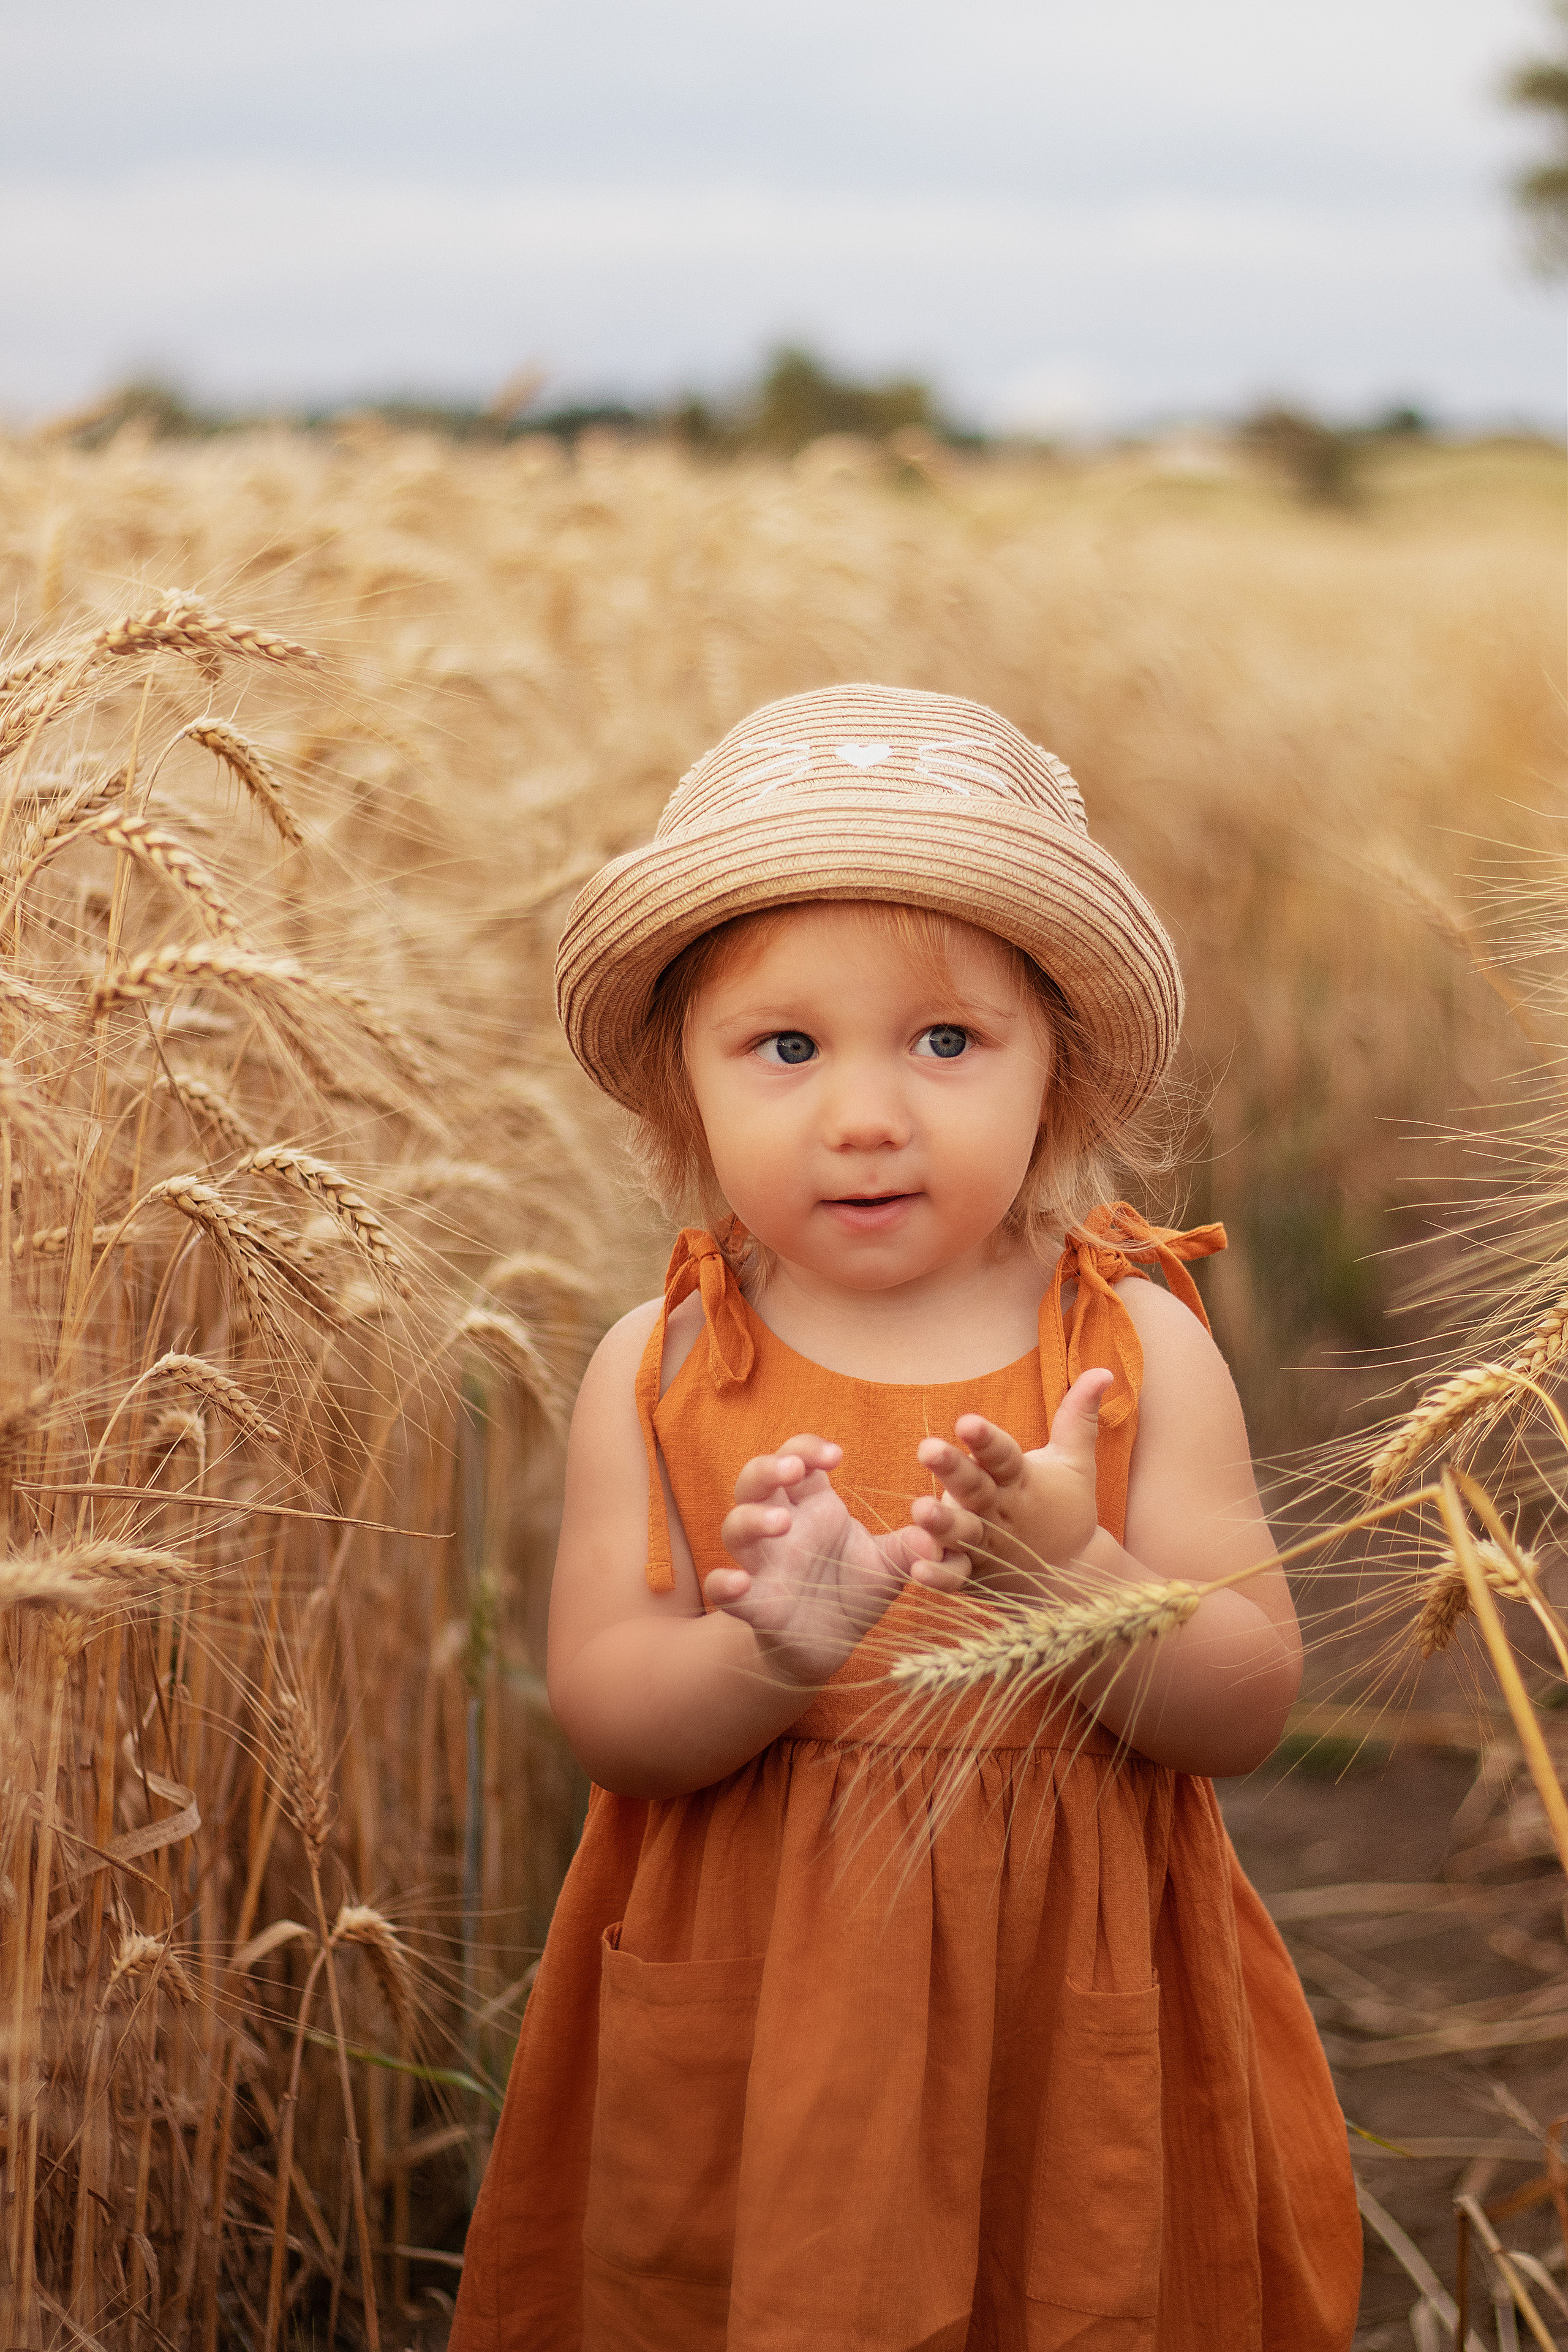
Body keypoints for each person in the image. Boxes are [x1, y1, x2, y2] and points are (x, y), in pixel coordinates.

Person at [450, 685, 1361, 2352]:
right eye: (785, 1047)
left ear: (1057, 1078)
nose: (866, 1112)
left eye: (946, 1042)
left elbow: (1246, 1702)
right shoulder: (656, 1370)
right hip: (763, 2021)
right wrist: (765, 1656)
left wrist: (1078, 1581)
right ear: (683, 1092)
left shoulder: (1136, 1342)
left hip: (1065, 2013)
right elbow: (609, 1714)